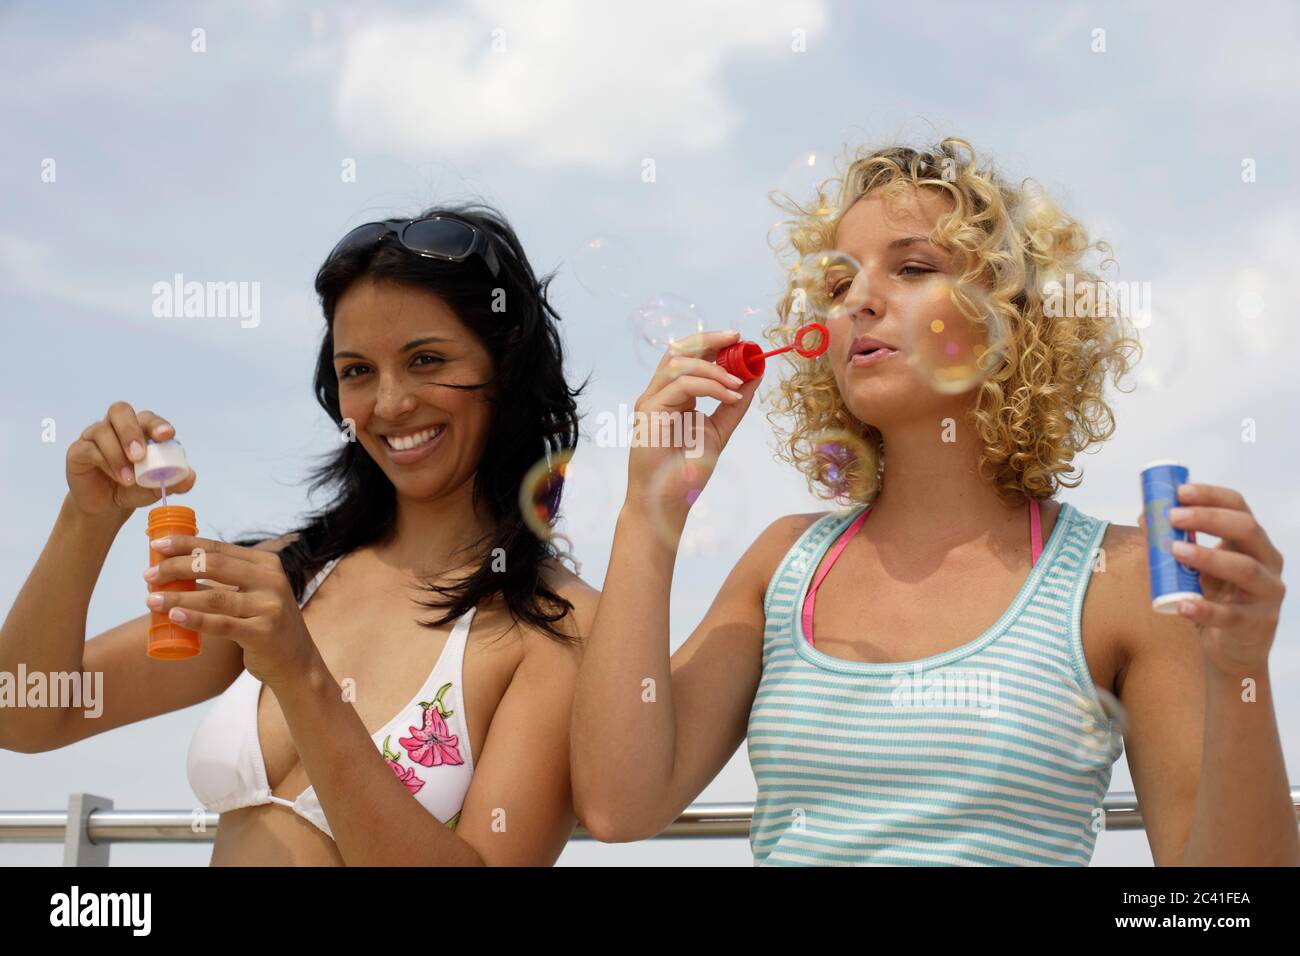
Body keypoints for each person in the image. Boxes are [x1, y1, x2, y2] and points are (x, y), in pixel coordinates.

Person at [571, 138, 1296, 865]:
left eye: (913, 268)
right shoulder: (784, 566)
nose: (858, 300)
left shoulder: (1123, 580)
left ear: (1015, 319)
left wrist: (1240, 670)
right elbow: (617, 804)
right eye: (836, 285)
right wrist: (652, 506)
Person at [1, 203, 599, 866]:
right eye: (358, 371)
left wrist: (300, 672)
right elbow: (26, 713)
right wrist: (86, 520)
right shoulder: (289, 576)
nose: (391, 403)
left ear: (506, 363)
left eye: (426, 359)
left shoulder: (558, 626)